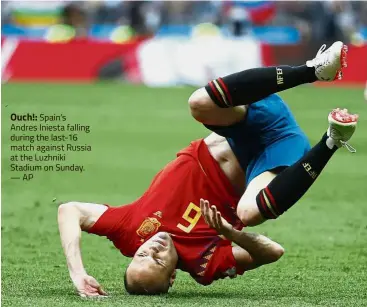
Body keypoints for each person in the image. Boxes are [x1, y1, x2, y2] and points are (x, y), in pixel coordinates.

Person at [58, 41, 358, 297]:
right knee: (247, 214)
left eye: (142, 255)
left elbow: (69, 210)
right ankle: (333, 140)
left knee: (198, 103)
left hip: (245, 125)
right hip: (275, 153)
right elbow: (272, 252)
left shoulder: (128, 231)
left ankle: (314, 70)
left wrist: (77, 273)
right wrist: (231, 232)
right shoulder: (204, 263)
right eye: (158, 262)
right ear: (173, 276)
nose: (154, 249)